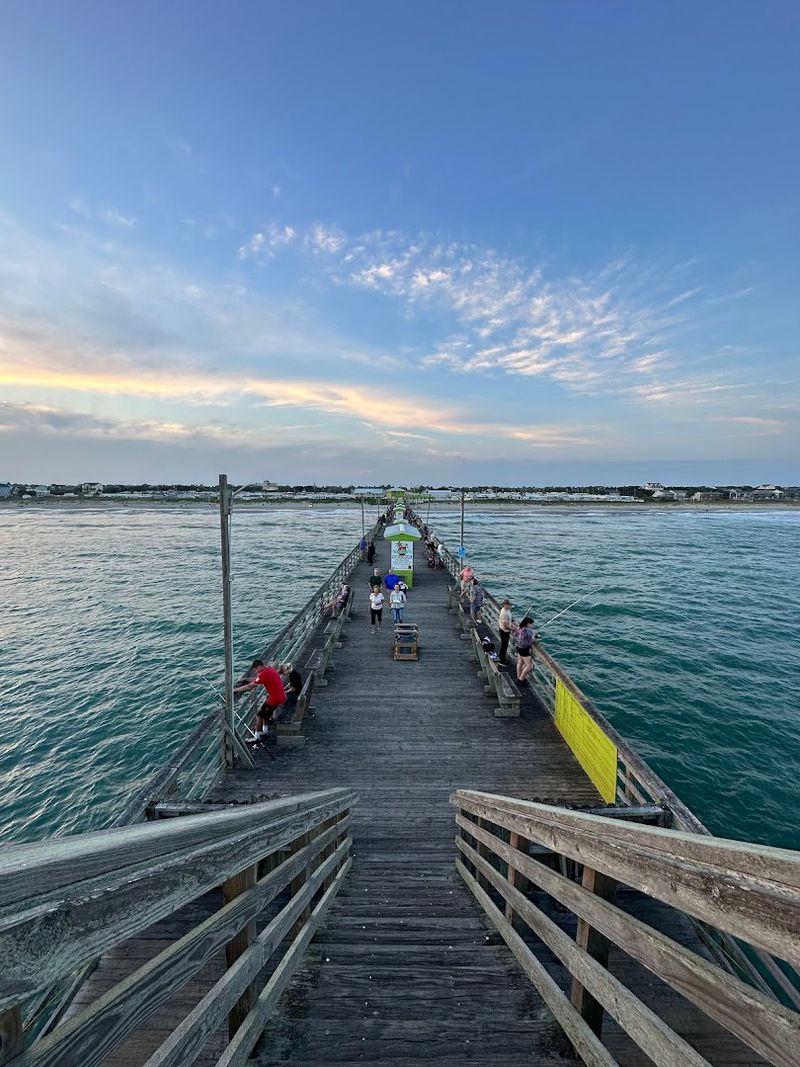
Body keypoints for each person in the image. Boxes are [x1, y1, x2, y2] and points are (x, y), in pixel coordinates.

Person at [234, 659, 285, 742]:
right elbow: (257, 679)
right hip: (279, 696)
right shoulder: (269, 669)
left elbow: (250, 686)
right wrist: (245, 679)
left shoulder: (264, 674)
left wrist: (235, 690)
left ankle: (257, 737)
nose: (255, 671)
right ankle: (265, 731)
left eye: (255, 669)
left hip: (274, 698)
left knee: (259, 715)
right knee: (265, 713)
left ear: (259, 666)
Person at [513, 616, 536, 684]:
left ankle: (518, 676)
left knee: (520, 663)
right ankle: (521, 679)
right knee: (529, 666)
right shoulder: (527, 630)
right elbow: (532, 640)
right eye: (532, 624)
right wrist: (534, 635)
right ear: (528, 624)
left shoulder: (519, 628)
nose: (532, 625)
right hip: (524, 649)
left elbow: (515, 634)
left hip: (519, 647)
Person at [498, 599, 513, 665]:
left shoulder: (505, 610)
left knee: (504, 645)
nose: (510, 606)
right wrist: (512, 629)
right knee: (504, 646)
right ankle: (502, 660)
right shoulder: (504, 613)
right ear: (505, 605)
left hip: (503, 630)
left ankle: (502, 657)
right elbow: (505, 624)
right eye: (508, 605)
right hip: (504, 631)